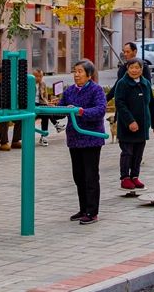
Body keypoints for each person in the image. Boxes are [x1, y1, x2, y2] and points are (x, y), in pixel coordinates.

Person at [58, 59, 107, 225]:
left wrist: (81, 112)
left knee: (90, 176)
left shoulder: (96, 90)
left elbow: (100, 110)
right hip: (74, 138)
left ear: (89, 75)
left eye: (80, 71)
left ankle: (92, 212)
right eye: (75, 71)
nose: (76, 75)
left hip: (91, 138)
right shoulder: (69, 91)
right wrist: (57, 109)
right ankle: (83, 208)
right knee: (78, 176)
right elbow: (60, 108)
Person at [113, 58, 154, 190]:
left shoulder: (145, 83)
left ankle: (134, 176)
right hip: (127, 127)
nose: (134, 70)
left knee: (138, 153)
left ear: (141, 69)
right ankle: (125, 178)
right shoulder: (122, 84)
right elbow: (120, 104)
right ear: (127, 69)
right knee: (127, 152)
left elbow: (151, 104)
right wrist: (130, 121)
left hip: (142, 126)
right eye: (131, 67)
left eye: (137, 68)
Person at [34, 68, 64, 146]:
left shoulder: (43, 84)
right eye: (37, 76)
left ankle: (44, 137)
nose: (39, 78)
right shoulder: (29, 84)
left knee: (45, 114)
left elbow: (45, 97)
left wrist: (48, 104)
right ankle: (56, 125)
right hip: (32, 106)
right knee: (45, 112)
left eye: (40, 76)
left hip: (41, 105)